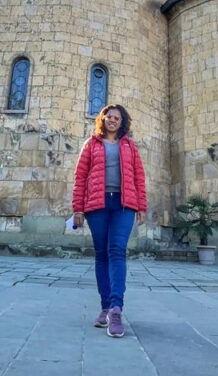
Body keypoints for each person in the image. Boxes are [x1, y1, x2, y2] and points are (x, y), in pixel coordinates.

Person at [72, 104, 147, 338]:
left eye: (117, 117)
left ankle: (116, 309)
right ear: (102, 120)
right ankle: (105, 306)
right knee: (102, 254)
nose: (113, 120)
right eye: (109, 116)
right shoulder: (91, 144)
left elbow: (139, 176)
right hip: (97, 205)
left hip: (124, 205)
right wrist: (78, 209)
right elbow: (80, 177)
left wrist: (142, 206)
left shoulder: (130, 146)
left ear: (122, 122)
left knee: (117, 251)